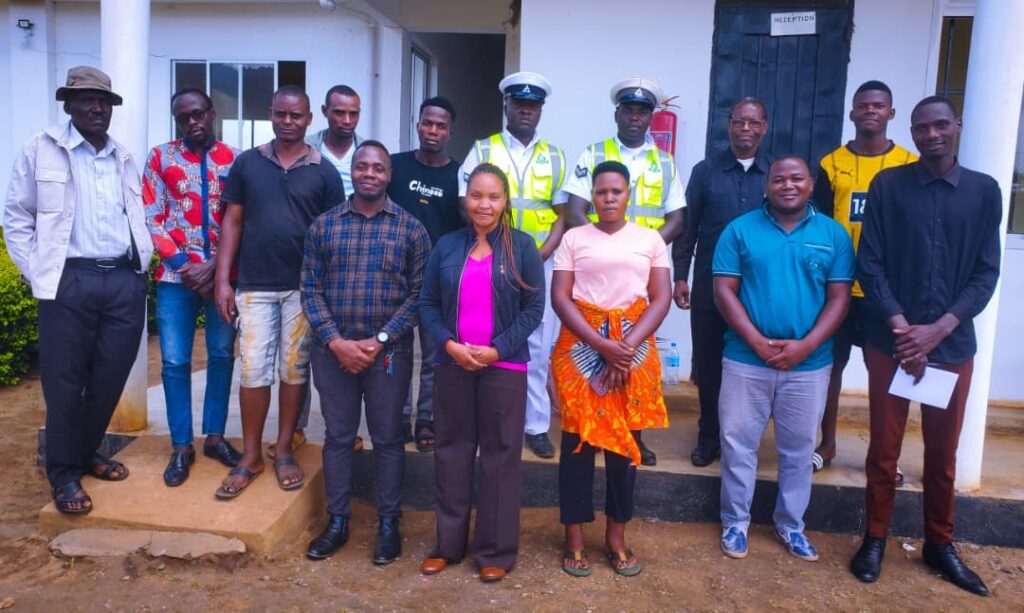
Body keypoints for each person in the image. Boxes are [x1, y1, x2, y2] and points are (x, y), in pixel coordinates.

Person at [850, 96, 1001, 597]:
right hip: (890, 343)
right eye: (922, 128)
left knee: (942, 452)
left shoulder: (983, 191)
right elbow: (870, 264)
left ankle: (940, 543)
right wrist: (903, 329)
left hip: (951, 346)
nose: (932, 135)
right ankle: (875, 538)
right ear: (911, 133)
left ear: (958, 125)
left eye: (940, 125)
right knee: (884, 449)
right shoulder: (888, 186)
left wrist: (937, 330)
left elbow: (986, 274)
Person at [2, 66, 153, 514]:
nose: (97, 108)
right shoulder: (41, 150)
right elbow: (17, 216)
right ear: (68, 104)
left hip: (123, 280)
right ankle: (64, 474)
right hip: (70, 280)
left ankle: (87, 453)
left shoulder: (123, 157)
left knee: (110, 377)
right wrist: (38, 272)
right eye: (86, 99)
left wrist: (138, 272)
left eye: (104, 101)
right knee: (65, 383)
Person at [713, 156, 853, 561]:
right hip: (746, 359)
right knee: (738, 445)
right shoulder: (739, 230)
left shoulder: (833, 234)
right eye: (778, 179)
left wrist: (806, 346)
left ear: (811, 184)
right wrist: (756, 341)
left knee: (798, 450)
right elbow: (724, 291)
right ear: (766, 186)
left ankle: (791, 525)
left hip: (809, 364)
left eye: (796, 179)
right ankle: (735, 523)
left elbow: (839, 299)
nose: (787, 185)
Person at [301, 141, 431, 565]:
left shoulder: (411, 229)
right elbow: (310, 290)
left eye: (378, 168)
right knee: (338, 436)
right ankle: (337, 521)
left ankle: (389, 522)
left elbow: (419, 296)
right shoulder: (324, 226)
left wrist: (380, 340)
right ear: (352, 172)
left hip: (388, 355)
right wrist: (336, 341)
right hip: (332, 352)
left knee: (388, 438)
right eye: (362, 166)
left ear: (389, 175)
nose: (369, 173)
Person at [213, 85, 345, 499]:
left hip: (303, 290)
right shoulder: (247, 163)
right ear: (271, 113)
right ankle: (251, 455)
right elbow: (232, 222)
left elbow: (332, 234)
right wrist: (222, 280)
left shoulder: (323, 171)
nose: (288, 121)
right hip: (254, 286)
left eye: (296, 115)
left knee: (294, 369)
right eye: (281, 114)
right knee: (253, 369)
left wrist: (326, 292)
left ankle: (284, 448)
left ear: (309, 119)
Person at [418, 163, 544, 583]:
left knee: (500, 456)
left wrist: (496, 350)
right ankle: (448, 545)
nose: (484, 204)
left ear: (505, 201)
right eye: (476, 195)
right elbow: (427, 304)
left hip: (503, 366)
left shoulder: (522, 247)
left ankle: (495, 551)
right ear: (465, 198)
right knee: (451, 451)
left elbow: (533, 309)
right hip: (452, 364)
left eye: (493, 196)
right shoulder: (447, 246)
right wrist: (449, 345)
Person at [551, 161, 672, 578]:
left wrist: (626, 346)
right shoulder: (573, 238)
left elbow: (660, 297)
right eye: (601, 192)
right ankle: (574, 537)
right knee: (577, 444)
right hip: (579, 350)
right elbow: (561, 297)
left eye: (616, 191)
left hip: (634, 350)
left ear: (628, 195)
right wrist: (602, 344)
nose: (608, 199)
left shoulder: (649, 239)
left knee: (626, 446)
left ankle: (616, 536)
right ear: (592, 196)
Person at [563, 76, 685, 466]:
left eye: (642, 111)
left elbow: (677, 218)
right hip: (596, 272)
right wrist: (604, 245)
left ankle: (633, 437)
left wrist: (642, 251)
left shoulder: (664, 162)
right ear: (617, 113)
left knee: (635, 358)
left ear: (650, 117)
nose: (635, 117)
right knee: (591, 355)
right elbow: (575, 209)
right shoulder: (594, 153)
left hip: (641, 274)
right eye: (628, 110)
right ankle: (595, 429)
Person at [458, 71, 567, 460]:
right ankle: (492, 423)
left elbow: (561, 215)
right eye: (519, 103)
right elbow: (467, 203)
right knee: (488, 337)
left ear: (540, 110)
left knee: (535, 345)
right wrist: (492, 250)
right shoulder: (482, 150)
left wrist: (538, 256)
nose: (525, 110)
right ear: (506, 106)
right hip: (489, 260)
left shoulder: (555, 156)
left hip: (538, 262)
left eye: (532, 105)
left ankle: (535, 425)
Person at [812, 81, 917, 478]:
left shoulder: (909, 163)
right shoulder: (830, 163)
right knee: (831, 369)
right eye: (863, 105)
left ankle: (885, 456)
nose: (870, 110)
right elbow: (819, 225)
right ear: (852, 113)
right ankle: (827, 444)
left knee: (886, 375)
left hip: (886, 291)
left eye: (878, 105)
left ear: (891, 113)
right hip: (838, 287)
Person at [144, 88, 242, 487]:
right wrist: (184, 266)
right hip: (175, 278)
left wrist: (215, 268)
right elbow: (151, 214)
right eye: (183, 117)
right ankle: (182, 445)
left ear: (212, 113)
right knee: (174, 362)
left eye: (198, 114)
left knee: (221, 355)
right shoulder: (159, 158)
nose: (192, 122)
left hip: (222, 278)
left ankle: (215, 437)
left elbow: (243, 219)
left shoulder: (235, 159)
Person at [671, 97, 771, 467]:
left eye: (753, 122)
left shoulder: (775, 173)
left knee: (752, 370)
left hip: (759, 293)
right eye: (739, 122)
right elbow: (688, 228)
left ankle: (742, 440)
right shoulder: (705, 172)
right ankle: (709, 436)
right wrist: (680, 275)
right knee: (710, 367)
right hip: (710, 290)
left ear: (764, 127)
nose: (746, 129)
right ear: (729, 125)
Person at [388, 96, 465, 452]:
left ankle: (426, 420)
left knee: (436, 354)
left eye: (441, 125)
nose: (433, 130)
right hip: (396, 276)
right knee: (397, 351)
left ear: (450, 131)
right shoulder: (395, 166)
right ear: (418, 124)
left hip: (440, 281)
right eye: (427, 123)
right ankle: (399, 417)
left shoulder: (459, 175)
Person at [306, 84, 363, 196]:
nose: (347, 121)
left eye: (353, 114)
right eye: (339, 113)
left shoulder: (368, 152)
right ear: (325, 111)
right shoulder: (306, 148)